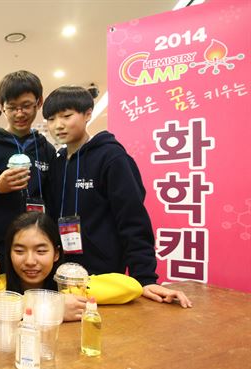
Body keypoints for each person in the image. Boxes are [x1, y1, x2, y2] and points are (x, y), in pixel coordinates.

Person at [42, 86, 192, 308]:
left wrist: (145, 278)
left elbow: (133, 219)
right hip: (62, 272)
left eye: (66, 116)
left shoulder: (112, 158)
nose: (58, 125)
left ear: (88, 114)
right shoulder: (57, 162)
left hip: (105, 272)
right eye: (51, 119)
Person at [0, 212, 144, 324]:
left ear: (56, 254)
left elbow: (131, 287)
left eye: (41, 251)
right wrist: (49, 308)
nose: (29, 261)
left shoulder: (69, 287)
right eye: (19, 251)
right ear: (9, 254)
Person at [0, 70, 56, 272]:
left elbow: (53, 196)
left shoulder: (46, 149)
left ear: (39, 102)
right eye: (12, 107)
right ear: (1, 107)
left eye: (26, 106)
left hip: (36, 245)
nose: (19, 113)